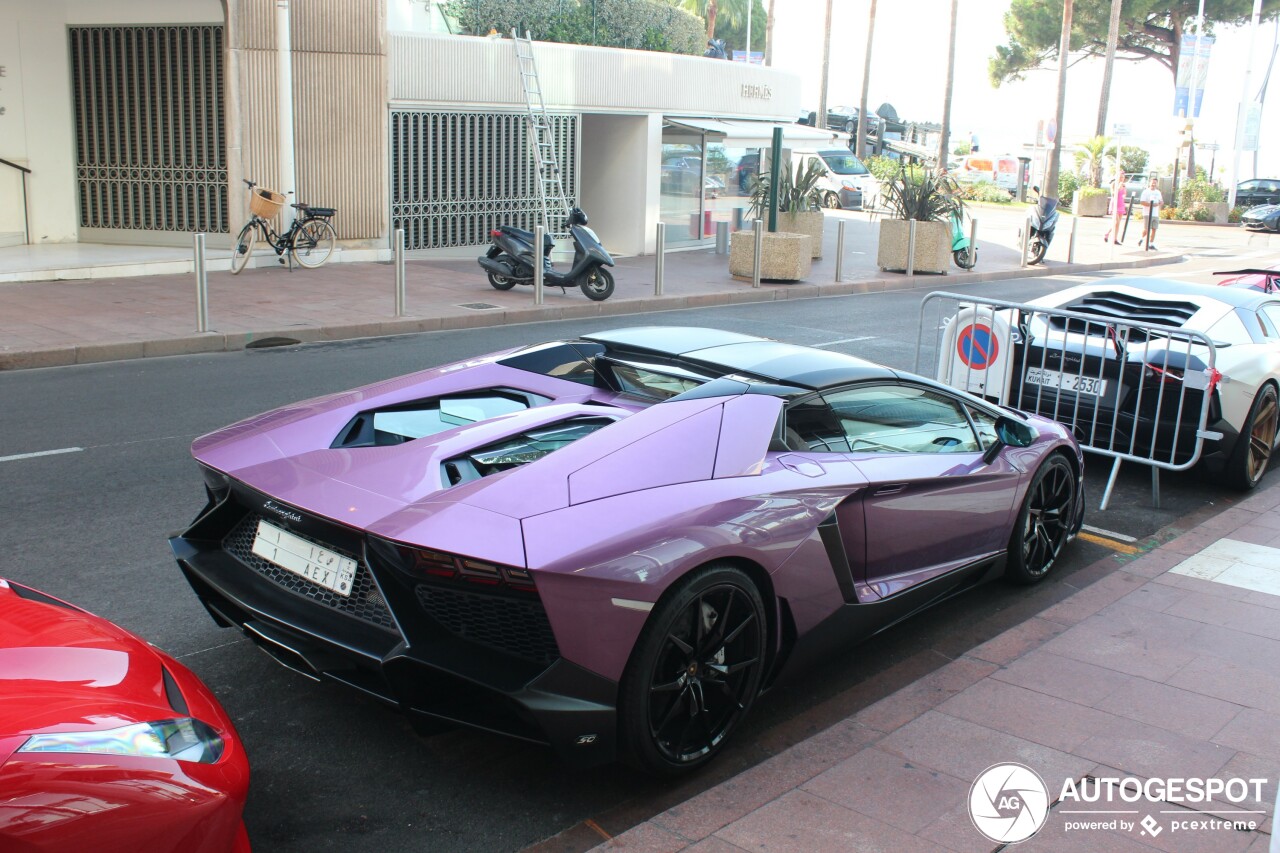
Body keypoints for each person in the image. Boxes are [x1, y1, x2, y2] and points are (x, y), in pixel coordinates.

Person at [1138, 176, 1163, 251]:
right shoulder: (1146, 192)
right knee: (1146, 229)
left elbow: (1161, 201)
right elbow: (1142, 202)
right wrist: (1151, 205)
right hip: (1147, 213)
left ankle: (1151, 244)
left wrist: (1160, 203)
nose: (1153, 184)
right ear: (1150, 183)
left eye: (1155, 183)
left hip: (1155, 213)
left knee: (1154, 228)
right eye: (1152, 183)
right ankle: (1141, 239)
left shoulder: (1158, 192)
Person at [1104, 168, 1126, 244]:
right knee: (1115, 221)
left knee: (1118, 222)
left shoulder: (1123, 185)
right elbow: (1113, 194)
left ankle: (1115, 239)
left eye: (1123, 177)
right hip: (1115, 203)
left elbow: (1124, 194)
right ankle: (1107, 233)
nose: (1122, 179)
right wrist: (1119, 187)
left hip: (1121, 203)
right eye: (1120, 177)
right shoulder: (1113, 184)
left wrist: (1123, 193)